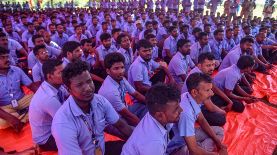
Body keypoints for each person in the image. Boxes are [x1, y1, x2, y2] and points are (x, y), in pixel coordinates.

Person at [52, 60, 133, 154]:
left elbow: (121, 125)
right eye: (79, 85)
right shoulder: (62, 122)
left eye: (89, 81)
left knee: (132, 148)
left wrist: (138, 142)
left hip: (101, 150)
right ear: (68, 89)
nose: (88, 88)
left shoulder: (100, 101)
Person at [167, 73, 227, 155]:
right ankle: (199, 148)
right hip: (177, 146)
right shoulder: (186, 113)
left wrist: (219, 144)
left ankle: (199, 147)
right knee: (195, 149)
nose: (212, 93)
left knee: (219, 131)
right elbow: (193, 150)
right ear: (195, 92)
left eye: (210, 89)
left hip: (184, 136)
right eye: (207, 90)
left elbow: (202, 120)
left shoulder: (189, 96)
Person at [121, 83, 183, 155]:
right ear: (159, 116)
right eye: (176, 109)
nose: (181, 110)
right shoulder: (154, 142)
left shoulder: (154, 115)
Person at [29, 59, 69, 151]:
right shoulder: (49, 98)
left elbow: (68, 97)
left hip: (54, 127)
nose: (66, 75)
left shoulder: (57, 85)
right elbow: (66, 121)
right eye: (61, 72)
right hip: (46, 139)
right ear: (50, 76)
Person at [98, 52, 145, 126]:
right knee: (134, 132)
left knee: (147, 105)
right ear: (108, 71)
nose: (121, 72)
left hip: (123, 111)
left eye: (122, 67)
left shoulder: (121, 79)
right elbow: (127, 115)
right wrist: (143, 128)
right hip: (113, 121)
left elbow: (136, 94)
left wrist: (154, 105)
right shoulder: (110, 91)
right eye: (116, 68)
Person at [181, 53, 228, 126]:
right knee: (221, 119)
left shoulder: (202, 73)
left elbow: (213, 88)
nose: (212, 68)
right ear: (199, 66)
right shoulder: (199, 78)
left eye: (213, 65)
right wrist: (223, 112)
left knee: (222, 99)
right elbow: (210, 107)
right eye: (208, 65)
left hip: (201, 98)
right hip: (194, 104)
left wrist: (228, 100)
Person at [0, 47, 37, 131]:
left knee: (42, 101)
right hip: (5, 106)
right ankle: (26, 114)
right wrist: (10, 118)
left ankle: (20, 118)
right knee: (1, 123)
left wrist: (43, 97)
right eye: (2, 58)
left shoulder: (16, 70)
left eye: (7, 56)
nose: (7, 59)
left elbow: (32, 86)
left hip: (22, 100)